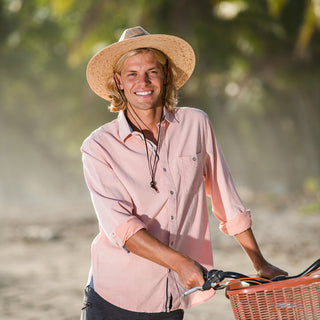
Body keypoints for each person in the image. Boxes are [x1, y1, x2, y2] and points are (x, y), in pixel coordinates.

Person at [80, 26, 287, 320]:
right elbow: (123, 230)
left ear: (165, 75)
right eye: (132, 74)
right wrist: (183, 264)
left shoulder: (196, 124)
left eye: (152, 71)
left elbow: (226, 200)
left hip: (174, 298)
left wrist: (259, 263)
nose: (144, 81)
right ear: (119, 82)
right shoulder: (98, 146)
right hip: (114, 298)